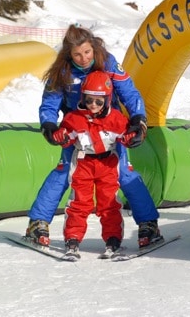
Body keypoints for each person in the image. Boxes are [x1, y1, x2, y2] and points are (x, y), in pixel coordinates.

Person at [25, 24, 162, 249]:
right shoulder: (63, 71)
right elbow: (50, 102)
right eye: (77, 54)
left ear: (93, 47)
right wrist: (48, 125)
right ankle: (37, 223)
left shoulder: (107, 62)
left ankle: (148, 224)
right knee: (63, 173)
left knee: (125, 174)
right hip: (78, 132)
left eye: (87, 52)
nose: (83, 58)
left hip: (109, 129)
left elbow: (129, 92)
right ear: (69, 54)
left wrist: (138, 119)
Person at [50, 71, 134, 258]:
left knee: (109, 202)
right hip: (83, 163)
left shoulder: (116, 119)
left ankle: (113, 239)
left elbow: (126, 136)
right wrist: (60, 137)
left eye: (98, 101)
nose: (93, 105)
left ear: (107, 99)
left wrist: (132, 136)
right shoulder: (74, 118)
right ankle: (73, 238)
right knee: (79, 202)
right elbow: (67, 137)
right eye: (89, 100)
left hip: (107, 164)